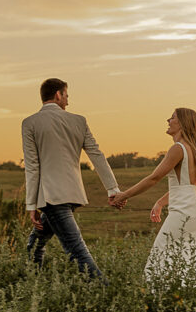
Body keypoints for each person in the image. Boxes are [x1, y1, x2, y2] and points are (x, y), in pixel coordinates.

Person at [109, 108, 196, 293]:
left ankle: (160, 300)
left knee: (159, 259)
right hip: (195, 209)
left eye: (173, 117)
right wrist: (160, 202)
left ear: (182, 123)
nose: (168, 120)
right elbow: (185, 185)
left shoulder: (178, 149)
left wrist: (123, 195)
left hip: (184, 212)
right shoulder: (192, 149)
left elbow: (154, 178)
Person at [22, 78, 123, 280]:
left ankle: (104, 290)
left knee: (76, 251)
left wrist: (31, 204)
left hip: (50, 197)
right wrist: (112, 188)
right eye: (66, 95)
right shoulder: (79, 121)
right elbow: (97, 155)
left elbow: (32, 167)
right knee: (36, 242)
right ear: (58, 94)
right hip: (71, 195)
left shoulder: (29, 123)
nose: (68, 100)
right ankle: (33, 283)